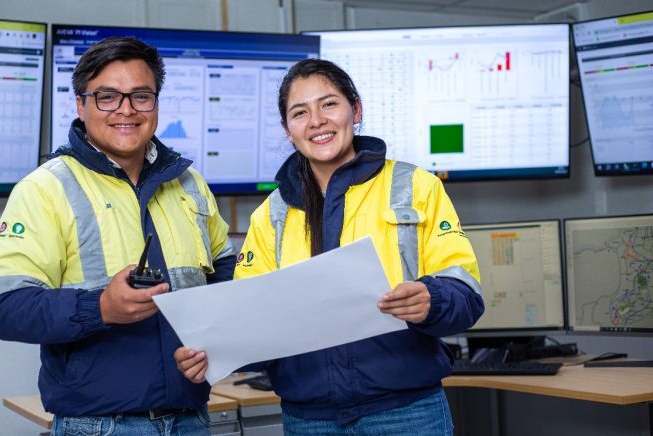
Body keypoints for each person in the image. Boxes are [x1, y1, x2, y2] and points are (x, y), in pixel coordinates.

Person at [175, 59, 484, 435]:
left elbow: (465, 293)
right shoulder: (270, 215)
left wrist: (432, 299)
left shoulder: (416, 187)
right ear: (288, 130)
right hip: (309, 420)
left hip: (406, 413)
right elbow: (252, 326)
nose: (316, 121)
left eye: (329, 104)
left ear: (355, 110)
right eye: (300, 112)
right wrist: (213, 352)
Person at [0, 37, 235, 436]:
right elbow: (5, 308)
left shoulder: (189, 183)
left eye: (141, 96)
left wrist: (220, 340)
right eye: (106, 97)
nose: (126, 110)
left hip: (192, 419)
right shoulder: (44, 188)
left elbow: (224, 273)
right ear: (81, 105)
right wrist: (100, 308)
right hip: (100, 425)